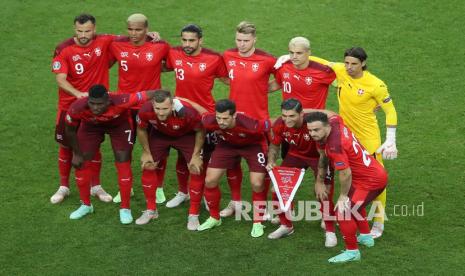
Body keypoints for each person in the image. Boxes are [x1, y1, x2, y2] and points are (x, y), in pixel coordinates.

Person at [275, 47, 398, 238]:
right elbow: (323, 61)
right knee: (347, 173)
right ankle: (350, 214)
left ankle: (378, 223)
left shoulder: (376, 85)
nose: (349, 67)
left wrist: (391, 140)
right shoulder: (341, 70)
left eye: (354, 64)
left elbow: (390, 111)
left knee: (374, 178)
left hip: (368, 139)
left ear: (363, 63)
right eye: (347, 63)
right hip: (343, 134)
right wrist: (290, 59)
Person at [65, 85, 159, 224]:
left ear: (108, 100)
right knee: (81, 163)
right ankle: (85, 205)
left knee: (123, 160)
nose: (95, 108)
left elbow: (153, 93)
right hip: (91, 127)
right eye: (92, 103)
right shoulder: (78, 107)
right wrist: (77, 154)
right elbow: (70, 130)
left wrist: (173, 102)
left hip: (119, 126)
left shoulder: (123, 100)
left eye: (100, 104)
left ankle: (125, 208)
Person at [306, 112, 388, 263]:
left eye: (316, 130)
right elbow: (333, 114)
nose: (312, 134)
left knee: (343, 211)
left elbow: (345, 173)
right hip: (368, 173)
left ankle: (352, 252)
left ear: (326, 126)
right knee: (355, 204)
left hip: (370, 180)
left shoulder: (335, 146)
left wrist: (343, 195)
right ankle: (366, 236)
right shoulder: (335, 122)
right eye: (310, 130)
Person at [162, 23, 229, 208]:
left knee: (204, 156)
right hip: (180, 112)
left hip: (205, 113)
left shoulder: (214, 58)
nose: (187, 44)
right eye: (184, 40)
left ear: (201, 40)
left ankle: (207, 195)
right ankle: (183, 192)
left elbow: (228, 79)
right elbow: (162, 66)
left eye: (192, 40)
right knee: (182, 155)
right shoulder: (174, 53)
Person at [50, 13, 113, 204]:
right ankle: (63, 187)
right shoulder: (63, 48)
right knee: (66, 145)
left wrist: (152, 34)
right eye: (79, 31)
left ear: (94, 28)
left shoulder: (105, 40)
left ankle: (96, 186)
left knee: (94, 146)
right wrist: (77, 93)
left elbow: (131, 39)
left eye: (87, 31)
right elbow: (60, 78)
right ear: (74, 29)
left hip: (94, 107)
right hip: (68, 106)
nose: (83, 34)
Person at [109, 13, 170, 204]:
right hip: (125, 108)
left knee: (157, 149)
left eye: (138, 29)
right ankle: (125, 187)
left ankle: (158, 187)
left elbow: (171, 65)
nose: (133, 33)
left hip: (151, 108)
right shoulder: (116, 45)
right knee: (124, 149)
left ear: (146, 29)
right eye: (130, 29)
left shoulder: (160, 46)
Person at [220, 21, 277, 217]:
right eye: (238, 40)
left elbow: (282, 77)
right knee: (232, 161)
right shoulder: (228, 55)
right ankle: (235, 201)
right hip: (233, 120)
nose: (241, 44)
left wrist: (264, 88)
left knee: (264, 167)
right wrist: (236, 83)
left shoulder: (267, 60)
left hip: (259, 121)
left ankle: (267, 206)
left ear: (254, 39)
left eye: (245, 40)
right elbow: (221, 74)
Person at [266, 99, 337, 247]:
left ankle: (330, 231)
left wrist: (319, 182)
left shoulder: (312, 124)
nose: (287, 119)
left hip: (319, 156)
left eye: (292, 116)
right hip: (296, 155)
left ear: (301, 114)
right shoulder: (280, 124)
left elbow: (323, 155)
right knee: (277, 189)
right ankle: (286, 226)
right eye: (284, 115)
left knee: (323, 192)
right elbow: (274, 145)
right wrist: (271, 160)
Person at [135, 91, 207, 230]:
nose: (161, 113)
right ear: (152, 105)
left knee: (195, 168)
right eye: (157, 109)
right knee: (148, 165)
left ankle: (193, 214)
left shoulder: (188, 112)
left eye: (165, 109)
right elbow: (141, 129)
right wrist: (146, 152)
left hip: (186, 136)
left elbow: (200, 131)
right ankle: (151, 210)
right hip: (160, 135)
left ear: (172, 105)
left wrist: (197, 154)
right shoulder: (145, 110)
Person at [198, 99, 271, 238]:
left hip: (253, 146)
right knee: (210, 181)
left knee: (257, 183)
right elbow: (201, 114)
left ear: (234, 115)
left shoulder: (250, 124)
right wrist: (180, 101)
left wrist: (271, 155)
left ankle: (258, 222)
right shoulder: (211, 120)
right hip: (227, 145)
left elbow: (271, 125)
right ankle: (214, 218)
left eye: (225, 118)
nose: (221, 122)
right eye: (218, 118)